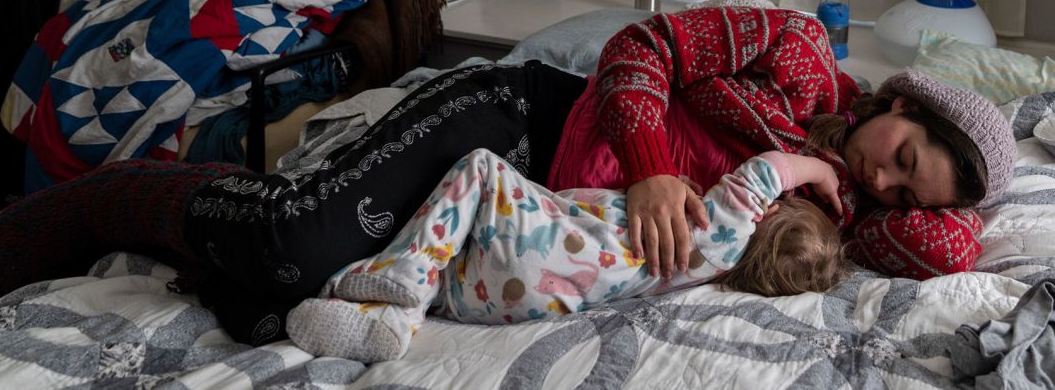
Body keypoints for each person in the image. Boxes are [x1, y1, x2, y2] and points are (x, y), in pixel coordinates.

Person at [0, 6, 1015, 344]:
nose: (888, 187)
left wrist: (958, 196)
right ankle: (90, 201)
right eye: (906, 157)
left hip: (523, 226)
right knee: (295, 242)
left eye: (906, 194)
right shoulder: (790, 51)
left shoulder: (830, 205)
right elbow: (641, 48)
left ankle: (172, 253)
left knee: (282, 294)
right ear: (898, 100)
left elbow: (937, 246)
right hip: (514, 127)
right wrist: (649, 167)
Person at [285, 147, 847, 362]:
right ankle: (393, 321)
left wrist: (820, 171)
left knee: (480, 168)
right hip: (520, 301)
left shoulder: (725, 229)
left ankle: (401, 286)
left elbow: (769, 170)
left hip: (539, 242)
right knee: (453, 260)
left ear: (769, 213)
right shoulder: (715, 274)